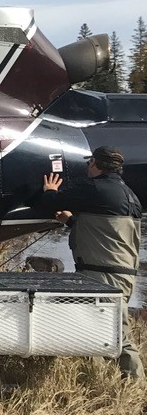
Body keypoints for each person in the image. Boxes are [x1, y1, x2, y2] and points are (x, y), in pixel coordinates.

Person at [36, 145, 143, 379]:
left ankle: (136, 389)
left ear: (95, 163)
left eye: (89, 163)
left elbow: (51, 203)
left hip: (102, 276)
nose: (87, 167)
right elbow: (109, 232)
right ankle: (99, 381)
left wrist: (50, 190)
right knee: (94, 329)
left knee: (117, 336)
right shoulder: (128, 195)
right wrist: (72, 221)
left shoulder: (94, 189)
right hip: (121, 274)